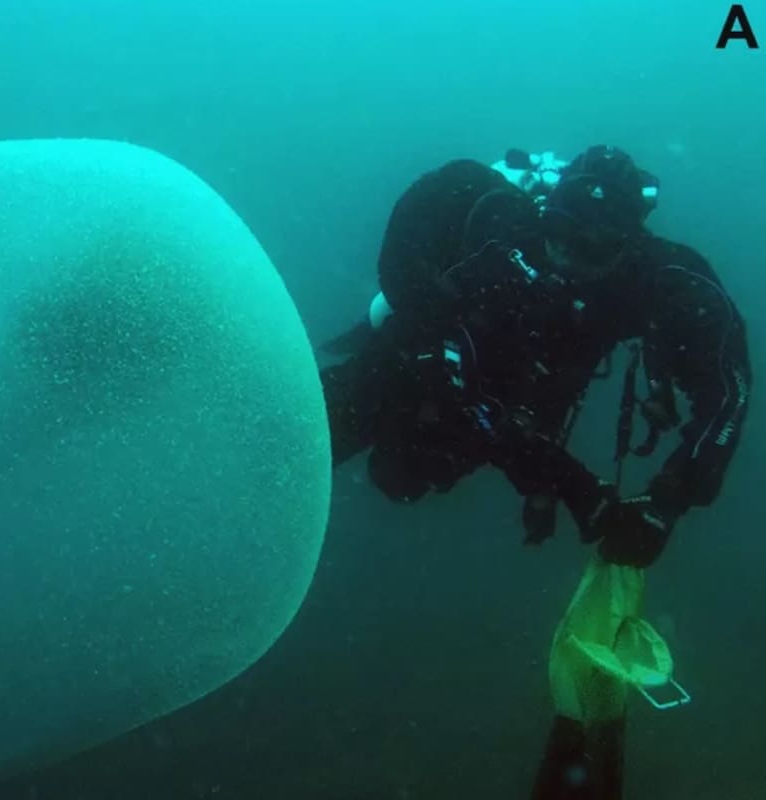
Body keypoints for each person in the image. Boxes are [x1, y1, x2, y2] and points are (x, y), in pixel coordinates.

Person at [320, 144, 751, 569]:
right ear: (546, 217)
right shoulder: (503, 222)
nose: (564, 262)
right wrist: (570, 483)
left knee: (407, 474)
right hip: (427, 356)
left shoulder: (653, 280)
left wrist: (671, 496)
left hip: (512, 402)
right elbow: (425, 214)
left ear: (627, 246)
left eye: (590, 250)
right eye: (559, 238)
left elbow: (729, 389)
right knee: (343, 414)